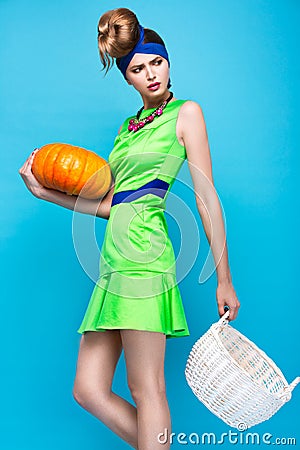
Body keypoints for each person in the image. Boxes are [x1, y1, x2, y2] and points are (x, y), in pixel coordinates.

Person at [19, 7, 240, 450]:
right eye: (138, 69)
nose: (151, 74)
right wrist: (47, 196)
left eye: (157, 62)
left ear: (168, 61)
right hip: (113, 269)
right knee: (88, 390)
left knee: (147, 390)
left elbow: (205, 198)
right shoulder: (126, 130)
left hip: (145, 263)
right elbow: (111, 206)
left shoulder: (185, 113)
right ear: (128, 79)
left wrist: (224, 278)